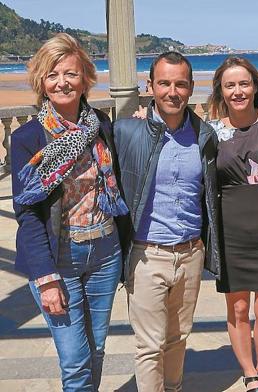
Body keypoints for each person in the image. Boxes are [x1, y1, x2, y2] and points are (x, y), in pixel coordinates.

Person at [11, 33, 130, 391]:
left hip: (106, 253)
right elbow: (28, 212)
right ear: (41, 83)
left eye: (70, 74)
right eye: (52, 75)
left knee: (96, 351)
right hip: (58, 257)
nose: (62, 82)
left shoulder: (101, 127)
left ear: (85, 80)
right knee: (75, 360)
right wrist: (45, 277)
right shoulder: (29, 138)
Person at [113, 51, 221, 392]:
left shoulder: (205, 136)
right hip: (147, 255)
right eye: (164, 83)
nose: (172, 91)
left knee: (178, 338)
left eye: (180, 84)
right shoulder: (126, 132)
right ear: (150, 86)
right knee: (149, 345)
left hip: (190, 254)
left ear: (191, 88)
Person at [207, 56, 258, 392]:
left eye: (244, 83)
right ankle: (250, 371)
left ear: (255, 86)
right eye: (230, 85)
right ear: (221, 92)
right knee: (238, 308)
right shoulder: (211, 131)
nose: (238, 91)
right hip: (230, 230)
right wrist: (144, 118)